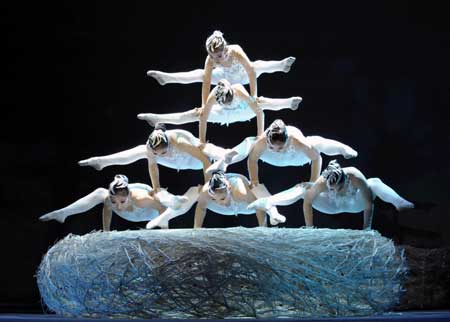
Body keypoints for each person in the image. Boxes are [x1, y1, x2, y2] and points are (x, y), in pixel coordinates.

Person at [248, 160, 414, 230]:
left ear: (345, 179)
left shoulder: (354, 176)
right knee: (305, 188)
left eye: (337, 186)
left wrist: (367, 229)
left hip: (354, 203)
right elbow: (307, 202)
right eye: (331, 187)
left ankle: (398, 201)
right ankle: (269, 201)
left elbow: (369, 203)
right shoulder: (322, 181)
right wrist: (310, 228)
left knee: (374, 182)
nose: (335, 189)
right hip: (331, 205)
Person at [147, 30, 296, 106]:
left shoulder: (236, 50)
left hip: (243, 75)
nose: (222, 57)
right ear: (211, 55)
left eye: (224, 52)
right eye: (217, 56)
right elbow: (206, 82)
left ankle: (281, 65)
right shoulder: (210, 60)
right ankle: (167, 78)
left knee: (256, 65)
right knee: (199, 74)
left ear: (226, 47)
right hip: (224, 77)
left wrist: (253, 95)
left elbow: (250, 71)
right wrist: (204, 104)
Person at [78, 124, 248, 190]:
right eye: (157, 152)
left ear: (168, 143)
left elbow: (203, 160)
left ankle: (224, 154)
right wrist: (156, 188)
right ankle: (102, 161)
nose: (160, 155)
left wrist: (207, 183)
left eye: (163, 151)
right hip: (178, 162)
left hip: (197, 159)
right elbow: (153, 166)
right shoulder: (150, 148)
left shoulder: (179, 141)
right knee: (139, 152)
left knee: (207, 149)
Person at [138, 79, 302, 143]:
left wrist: (259, 135)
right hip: (223, 114)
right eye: (225, 101)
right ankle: (158, 118)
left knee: (260, 101)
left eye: (228, 100)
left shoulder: (238, 90)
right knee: (196, 112)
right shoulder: (213, 96)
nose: (228, 102)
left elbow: (259, 112)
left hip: (243, 110)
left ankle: (287, 102)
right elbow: (203, 117)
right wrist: (202, 141)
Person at [39, 175, 198, 230]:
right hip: (132, 207)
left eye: (121, 201)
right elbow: (107, 210)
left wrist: (165, 232)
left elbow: (162, 211)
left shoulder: (141, 199)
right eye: (115, 202)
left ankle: (177, 197)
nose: (119, 207)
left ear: (128, 196)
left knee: (159, 195)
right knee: (100, 193)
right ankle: (63, 213)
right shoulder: (110, 200)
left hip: (149, 210)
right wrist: (106, 232)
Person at [145, 170, 287, 229]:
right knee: (195, 192)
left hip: (244, 205)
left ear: (229, 190)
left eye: (222, 198)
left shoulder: (240, 191)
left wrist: (264, 229)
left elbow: (258, 207)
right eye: (215, 199)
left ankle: (273, 213)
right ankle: (166, 216)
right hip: (224, 206)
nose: (220, 202)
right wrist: (196, 231)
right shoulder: (207, 193)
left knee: (258, 189)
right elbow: (201, 209)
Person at [246, 119, 358, 185]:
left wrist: (313, 182)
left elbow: (316, 158)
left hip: (296, 156)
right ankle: (228, 157)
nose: (276, 151)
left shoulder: (296, 140)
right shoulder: (262, 142)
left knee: (317, 142)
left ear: (287, 141)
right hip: (271, 158)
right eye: (272, 147)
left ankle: (343, 149)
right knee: (250, 145)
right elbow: (252, 160)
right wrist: (254, 181)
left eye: (280, 148)